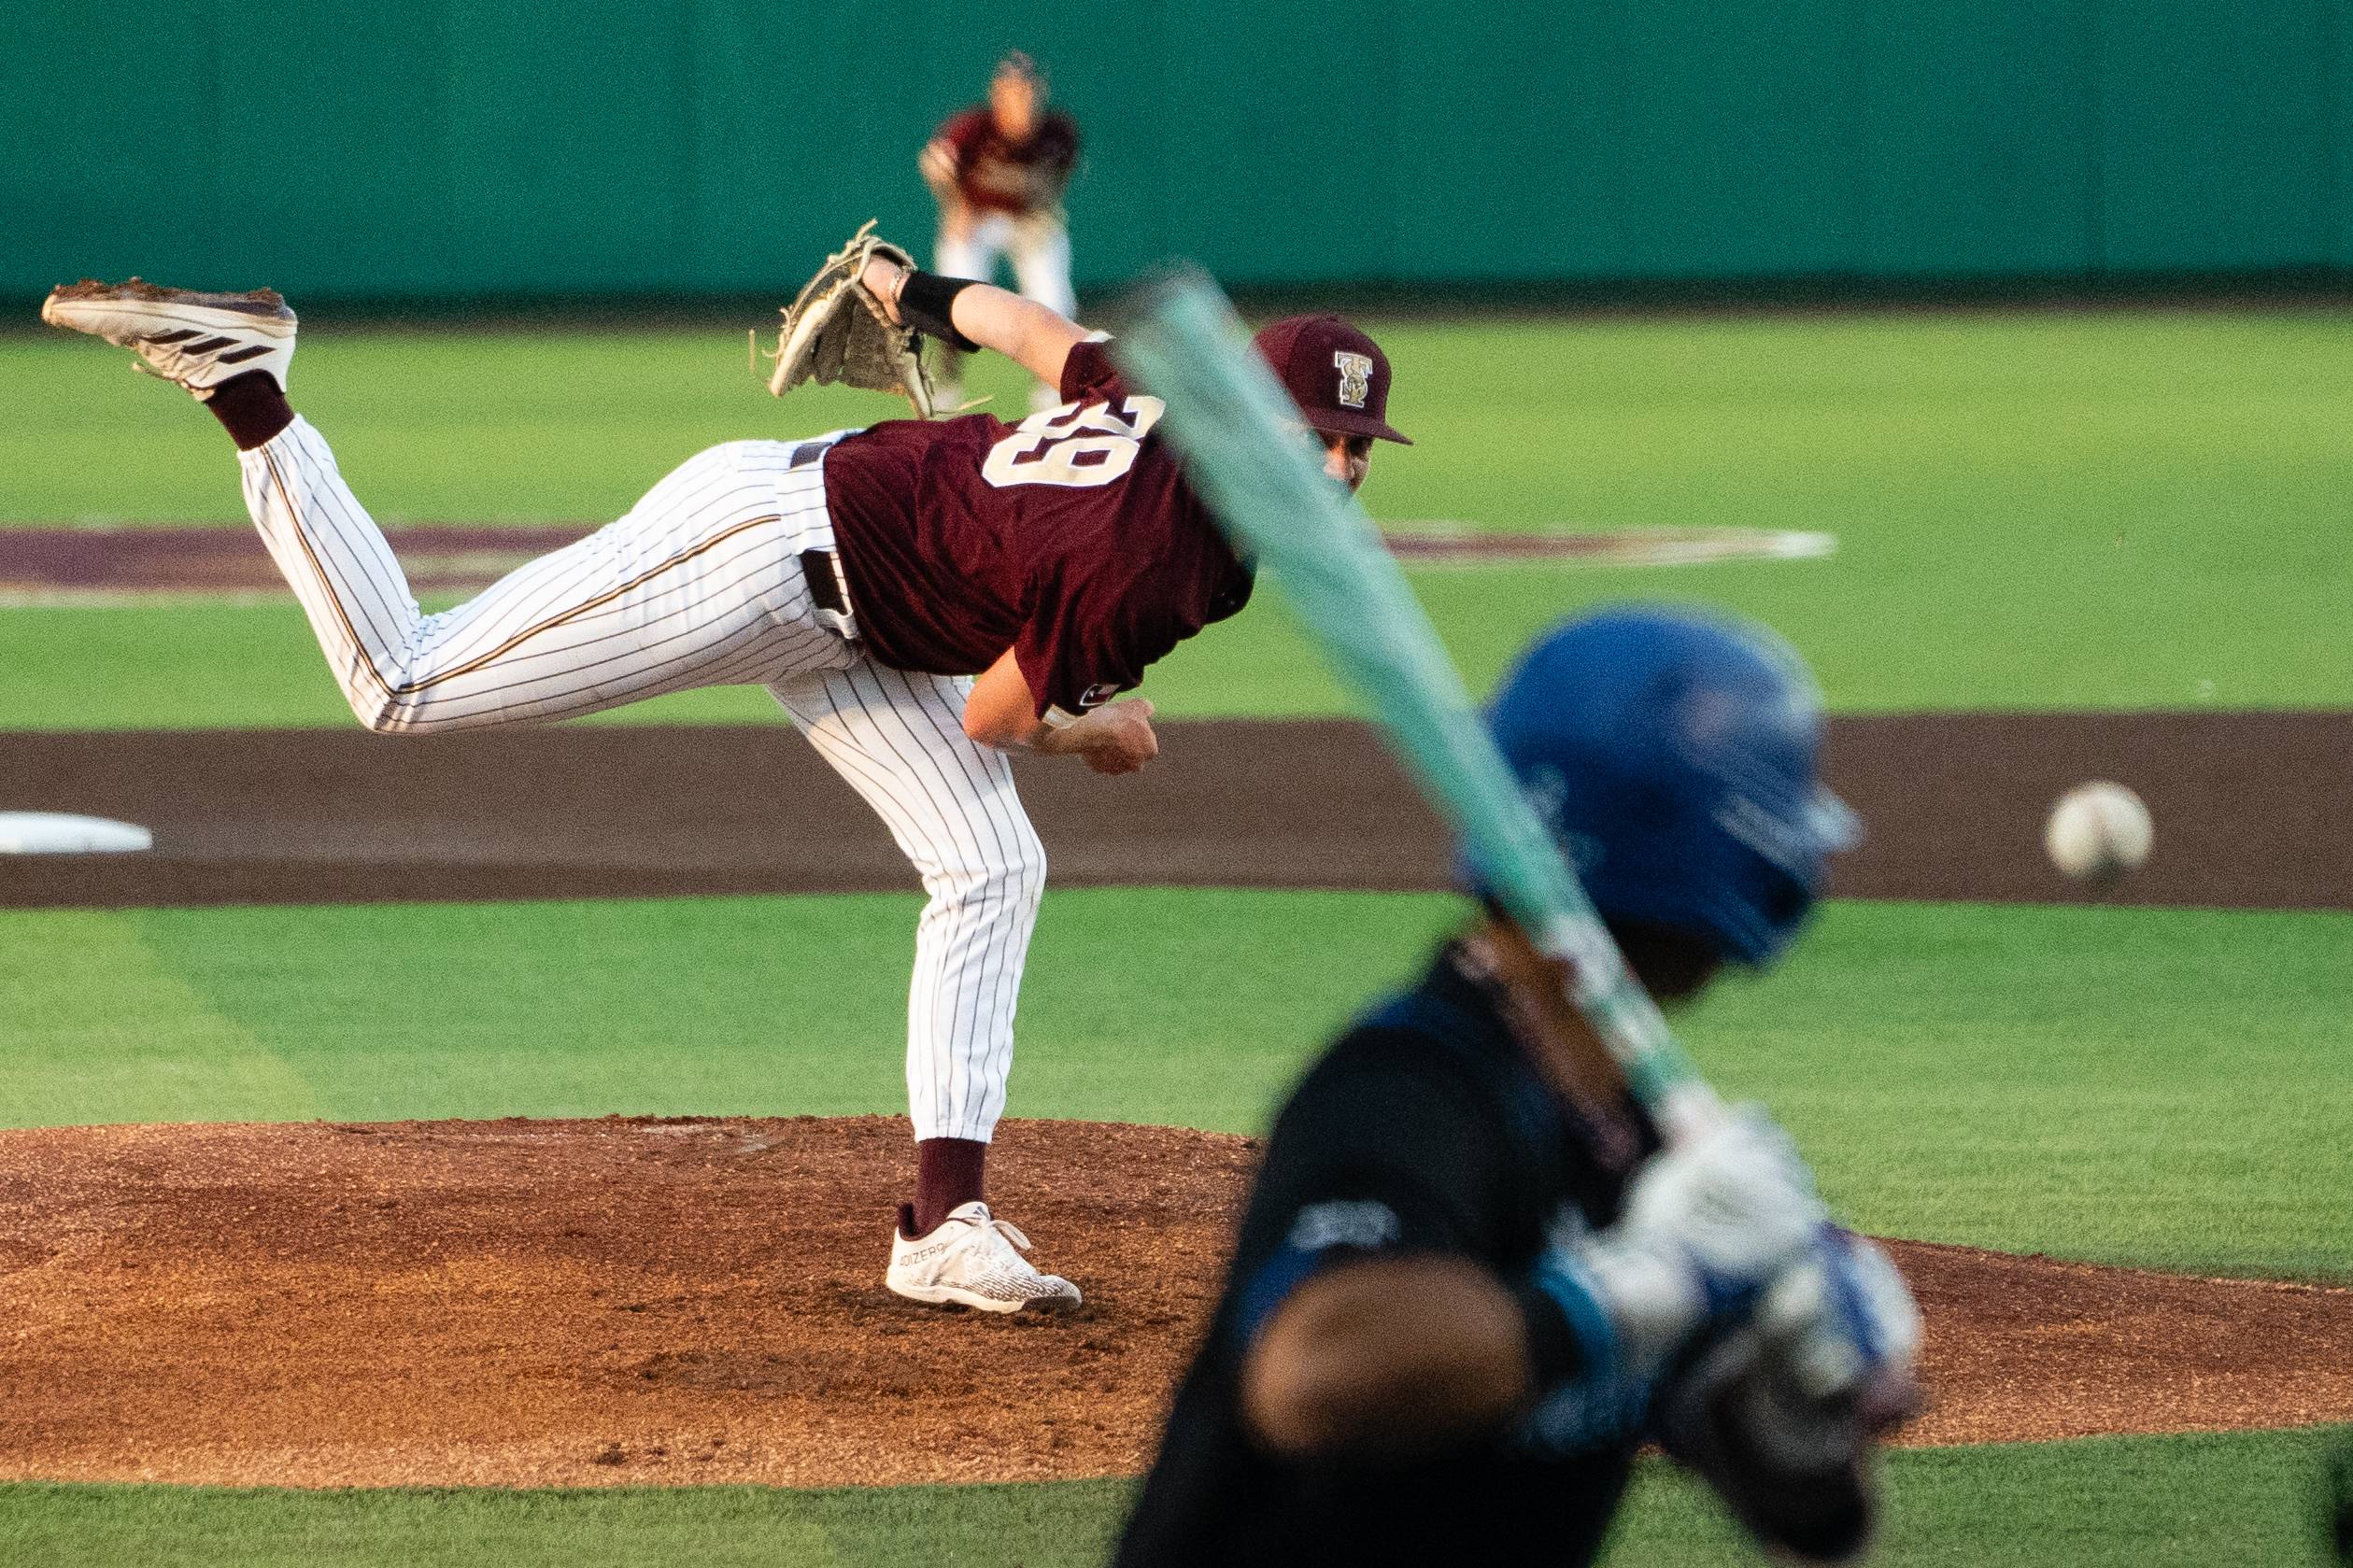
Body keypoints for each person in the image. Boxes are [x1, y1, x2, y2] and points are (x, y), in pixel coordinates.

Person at [40, 267, 1410, 1315]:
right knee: (400, 680)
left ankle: (942, 1227)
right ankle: (248, 384)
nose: (1337, 469)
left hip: (860, 612)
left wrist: (911, 291)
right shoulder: (1162, 561)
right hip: (756, 551)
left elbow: (1032, 333)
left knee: (991, 863)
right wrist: (1097, 730)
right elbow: (996, 713)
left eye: (1354, 447)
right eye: (1316, 437)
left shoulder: (1165, 401)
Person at [1115, 607, 1921, 1566]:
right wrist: (1653, 1280)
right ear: (1686, 833)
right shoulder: (1406, 1087)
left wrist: (1792, 1408)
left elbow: (1815, 1527)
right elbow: (1315, 1374)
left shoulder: (1627, 1125)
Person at [919, 51, 1082, 411]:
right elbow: (934, 163)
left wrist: (1047, 207)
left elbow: (1063, 173)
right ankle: (944, 383)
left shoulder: (1058, 132)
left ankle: (1053, 390)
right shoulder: (973, 128)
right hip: (979, 220)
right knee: (956, 294)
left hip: (1028, 221)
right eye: (1012, 91)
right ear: (997, 93)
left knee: (1055, 301)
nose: (1021, 99)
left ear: (1040, 92)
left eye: (1028, 91)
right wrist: (956, 208)